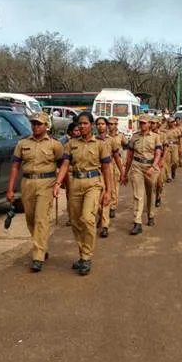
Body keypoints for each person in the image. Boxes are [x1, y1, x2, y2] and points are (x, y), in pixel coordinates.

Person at [53, 112, 112, 276]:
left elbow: (106, 169)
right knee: (75, 221)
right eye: (80, 123)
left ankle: (86, 257)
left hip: (93, 184)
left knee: (87, 218)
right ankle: (82, 254)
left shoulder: (100, 144)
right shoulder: (71, 144)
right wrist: (58, 183)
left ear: (91, 125)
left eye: (85, 123)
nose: (82, 126)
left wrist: (108, 191)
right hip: (75, 184)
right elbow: (65, 164)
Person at [7, 113, 63, 272]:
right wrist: (10, 188)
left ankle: (37, 255)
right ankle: (42, 245)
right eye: (33, 124)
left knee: (41, 219)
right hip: (27, 183)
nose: (36, 127)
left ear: (46, 126)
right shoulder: (22, 143)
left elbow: (63, 164)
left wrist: (59, 183)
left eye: (39, 124)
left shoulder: (54, 145)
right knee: (30, 218)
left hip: (47, 183)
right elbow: (15, 166)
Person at [121, 114, 162, 234]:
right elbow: (129, 157)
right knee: (138, 195)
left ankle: (150, 215)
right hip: (136, 166)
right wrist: (125, 174)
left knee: (150, 193)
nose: (142, 125)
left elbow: (158, 153)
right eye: (140, 123)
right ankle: (137, 222)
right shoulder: (134, 137)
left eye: (144, 123)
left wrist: (153, 166)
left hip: (150, 167)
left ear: (149, 124)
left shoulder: (155, 137)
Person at [95, 117, 124, 238]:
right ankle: (101, 217)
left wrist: (122, 171)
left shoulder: (111, 140)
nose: (101, 126)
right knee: (96, 199)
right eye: (98, 124)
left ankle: (105, 225)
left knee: (107, 196)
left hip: (109, 170)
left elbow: (117, 157)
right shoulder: (93, 140)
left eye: (103, 124)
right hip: (96, 172)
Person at [107, 116, 127, 220]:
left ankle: (113, 206)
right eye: (109, 124)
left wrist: (124, 163)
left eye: (112, 124)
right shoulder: (105, 137)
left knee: (115, 184)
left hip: (117, 162)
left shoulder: (120, 136)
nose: (110, 126)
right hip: (107, 162)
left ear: (116, 125)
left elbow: (126, 147)